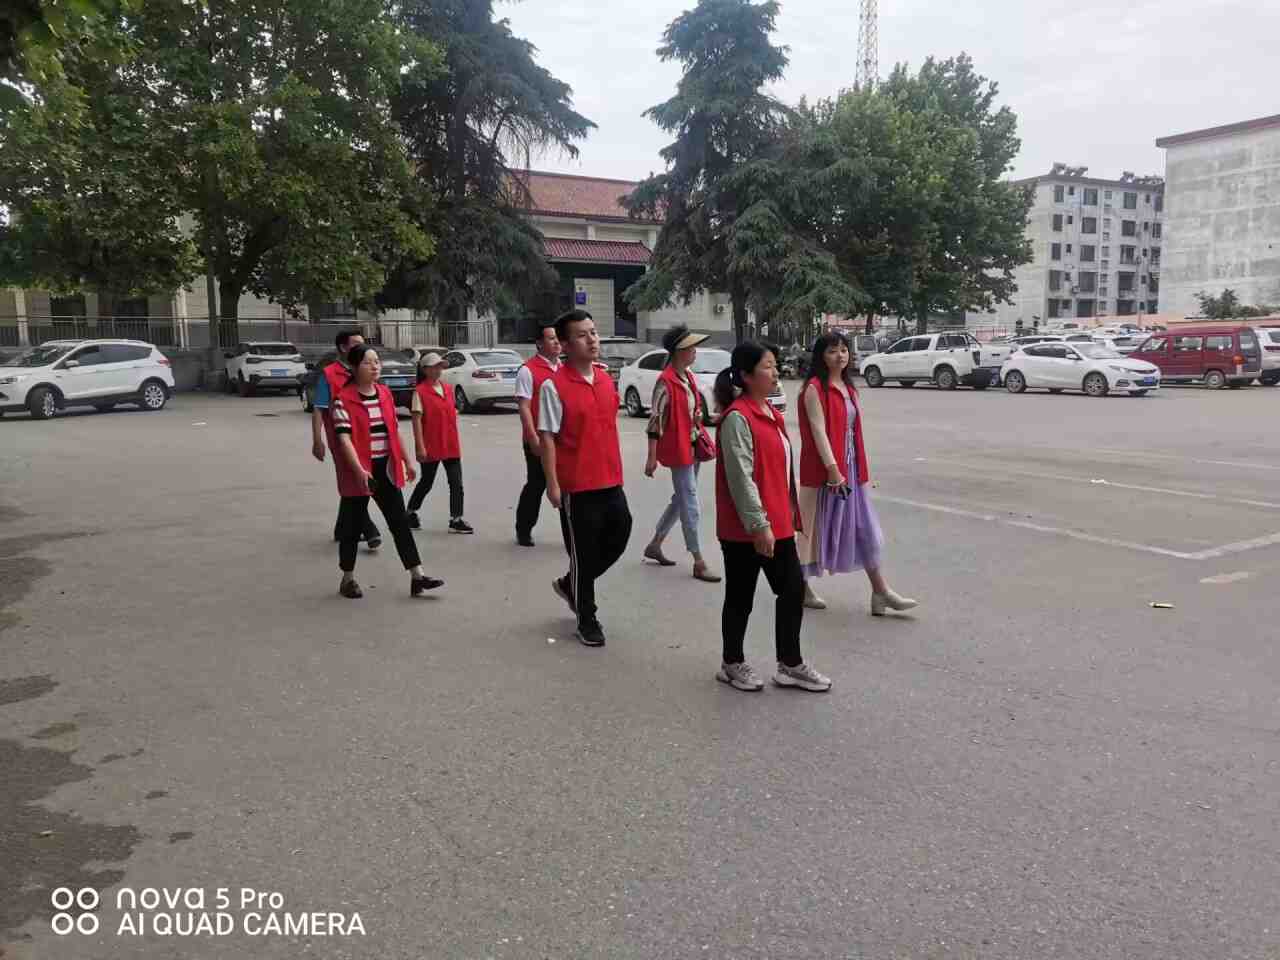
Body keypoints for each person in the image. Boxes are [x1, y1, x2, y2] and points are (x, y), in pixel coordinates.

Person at [713, 340, 831, 693]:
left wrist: (785, 517)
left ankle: (790, 664)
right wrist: (758, 524)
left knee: (792, 590)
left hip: (776, 523)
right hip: (746, 529)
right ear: (746, 376)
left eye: (775, 365)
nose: (776, 372)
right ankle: (732, 663)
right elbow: (741, 478)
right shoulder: (738, 418)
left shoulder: (770, 413)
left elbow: (778, 472)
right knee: (741, 596)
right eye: (767, 366)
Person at [796, 332, 918, 616]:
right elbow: (818, 432)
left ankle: (880, 592)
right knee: (809, 530)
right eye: (832, 351)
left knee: (864, 528)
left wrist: (850, 471)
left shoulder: (848, 388)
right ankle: (799, 587)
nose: (840, 355)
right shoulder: (814, 389)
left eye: (843, 350)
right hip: (825, 472)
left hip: (850, 470)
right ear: (820, 356)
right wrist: (833, 470)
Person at [539, 309, 632, 648]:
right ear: (565, 345)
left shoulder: (606, 379)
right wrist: (553, 483)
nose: (592, 340)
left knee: (621, 533)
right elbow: (547, 437)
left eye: (593, 332)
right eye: (582, 335)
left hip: (611, 478)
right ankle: (586, 618)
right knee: (583, 552)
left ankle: (571, 583)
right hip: (577, 486)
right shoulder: (554, 386)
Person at [331, 344, 444, 599]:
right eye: (367, 362)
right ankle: (347, 579)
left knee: (400, 522)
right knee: (351, 528)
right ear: (354, 367)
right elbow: (344, 440)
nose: (375, 367)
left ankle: (417, 576)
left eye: (376, 362)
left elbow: (394, 430)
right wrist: (359, 471)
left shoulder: (384, 394)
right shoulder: (342, 400)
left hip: (386, 469)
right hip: (359, 472)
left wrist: (407, 461)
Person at [641, 325, 720, 583]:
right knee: (690, 503)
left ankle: (655, 543)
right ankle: (698, 561)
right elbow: (655, 420)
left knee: (682, 499)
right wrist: (651, 457)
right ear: (678, 351)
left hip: (692, 446)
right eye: (690, 347)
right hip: (678, 450)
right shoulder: (665, 381)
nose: (695, 351)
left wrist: (698, 416)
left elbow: (690, 410)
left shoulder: (688, 376)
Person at [310, 329, 382, 551]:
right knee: (356, 482)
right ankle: (369, 530)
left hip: (367, 437)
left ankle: (342, 529)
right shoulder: (329, 374)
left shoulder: (364, 370)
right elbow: (319, 408)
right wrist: (317, 440)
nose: (362, 348)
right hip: (341, 439)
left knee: (352, 484)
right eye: (356, 344)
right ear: (343, 348)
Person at [407, 352, 473, 535]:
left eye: (440, 366)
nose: (438, 370)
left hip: (450, 443)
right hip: (431, 444)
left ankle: (456, 519)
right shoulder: (419, 392)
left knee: (456, 482)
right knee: (427, 482)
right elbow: (416, 421)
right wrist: (419, 446)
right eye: (435, 366)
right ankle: (410, 512)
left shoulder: (448, 389)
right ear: (425, 370)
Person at [514, 321, 562, 546]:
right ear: (539, 343)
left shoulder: (563, 368)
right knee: (537, 484)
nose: (557, 342)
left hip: (562, 439)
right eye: (551, 339)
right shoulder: (527, 370)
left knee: (568, 485)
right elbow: (524, 406)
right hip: (539, 438)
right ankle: (524, 529)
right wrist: (532, 437)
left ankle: (572, 531)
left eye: (558, 338)